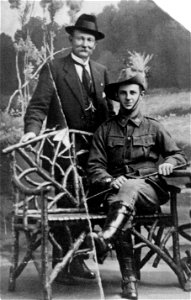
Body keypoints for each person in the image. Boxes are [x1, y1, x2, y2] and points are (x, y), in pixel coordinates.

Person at [21, 14, 114, 283]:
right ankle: (62, 264)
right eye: (80, 38)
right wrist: (31, 132)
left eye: (89, 39)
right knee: (68, 204)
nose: (85, 43)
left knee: (93, 202)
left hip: (94, 154)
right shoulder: (53, 68)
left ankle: (79, 258)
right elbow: (38, 107)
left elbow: (106, 114)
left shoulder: (100, 72)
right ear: (71, 40)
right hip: (62, 152)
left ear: (94, 44)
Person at [87, 52, 187, 299]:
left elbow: (178, 156)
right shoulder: (105, 130)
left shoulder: (154, 127)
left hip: (149, 190)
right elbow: (95, 166)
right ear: (117, 96)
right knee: (121, 205)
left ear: (140, 95)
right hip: (117, 193)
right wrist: (110, 179)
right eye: (123, 93)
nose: (128, 97)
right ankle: (129, 282)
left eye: (133, 92)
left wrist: (169, 164)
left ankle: (105, 237)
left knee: (130, 188)